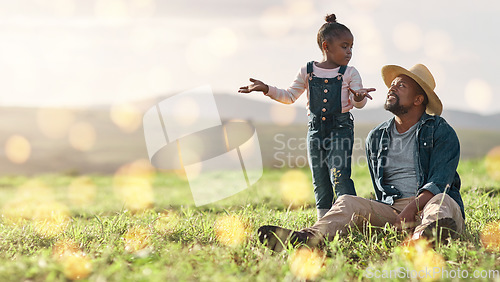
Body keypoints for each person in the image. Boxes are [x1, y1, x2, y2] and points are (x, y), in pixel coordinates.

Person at [257, 63, 465, 251]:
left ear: (419, 99)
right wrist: (395, 214)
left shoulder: (440, 131)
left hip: (432, 207)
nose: (391, 88)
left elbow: (440, 183)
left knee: (441, 199)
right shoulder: (376, 137)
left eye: (401, 85)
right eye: (391, 84)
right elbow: (380, 189)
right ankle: (306, 238)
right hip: (395, 211)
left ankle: (424, 237)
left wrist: (412, 209)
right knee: (347, 201)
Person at [239, 14, 375, 220]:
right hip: (315, 131)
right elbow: (289, 96)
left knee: (339, 175)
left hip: (341, 129)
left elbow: (359, 103)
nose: (349, 52)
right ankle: (324, 222)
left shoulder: (350, 73)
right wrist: (266, 88)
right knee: (320, 178)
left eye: (351, 47)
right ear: (326, 46)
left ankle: (350, 219)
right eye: (344, 46)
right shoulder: (307, 71)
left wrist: (358, 97)